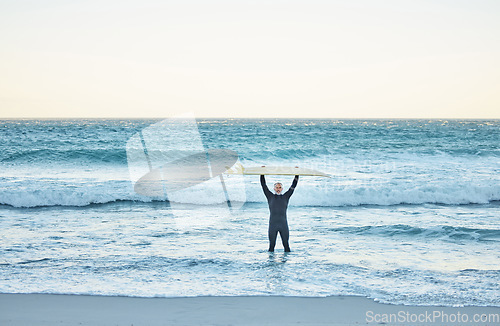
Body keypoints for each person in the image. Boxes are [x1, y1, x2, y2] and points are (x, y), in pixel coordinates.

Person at [260, 174, 299, 252]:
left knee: (286, 247)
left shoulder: (286, 196)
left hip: (283, 225)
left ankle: (286, 263)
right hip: (272, 225)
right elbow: (263, 185)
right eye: (277, 187)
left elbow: (293, 186)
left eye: (280, 187)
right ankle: (270, 264)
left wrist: (297, 175)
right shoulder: (270, 196)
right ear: (274, 188)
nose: (278, 189)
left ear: (282, 189)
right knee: (271, 247)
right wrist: (262, 174)